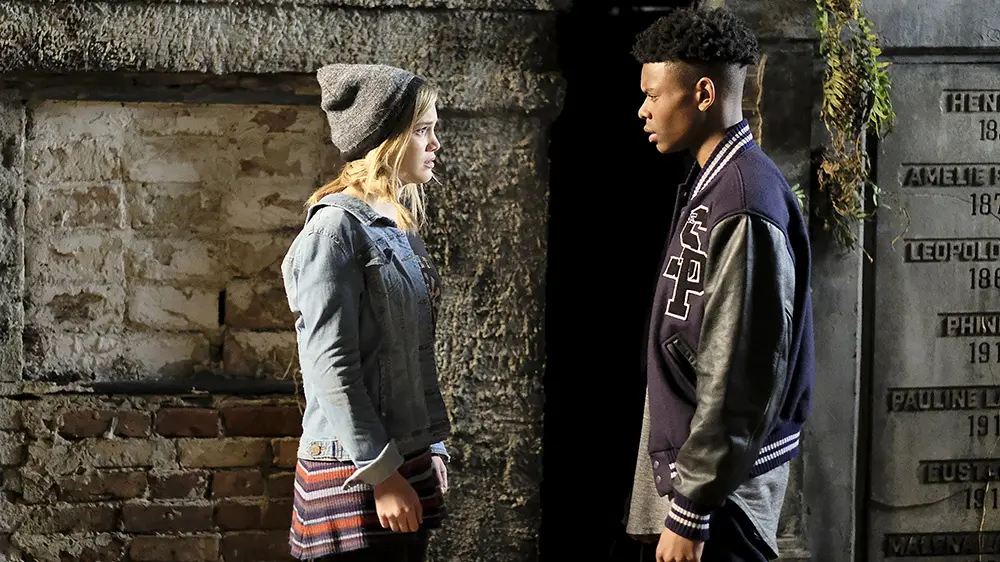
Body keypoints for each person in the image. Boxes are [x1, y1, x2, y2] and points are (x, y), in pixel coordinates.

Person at [624, 7, 815, 562]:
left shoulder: (746, 200)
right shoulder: (716, 182)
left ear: (703, 94)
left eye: (653, 95)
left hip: (724, 495)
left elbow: (740, 369)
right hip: (701, 477)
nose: (643, 110)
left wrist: (692, 506)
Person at [281, 63, 451, 562]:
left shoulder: (394, 225)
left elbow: (411, 352)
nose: (435, 144)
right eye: (422, 130)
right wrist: (382, 473)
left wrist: (429, 447)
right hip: (354, 471)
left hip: (403, 459)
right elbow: (330, 367)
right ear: (386, 140)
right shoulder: (333, 232)